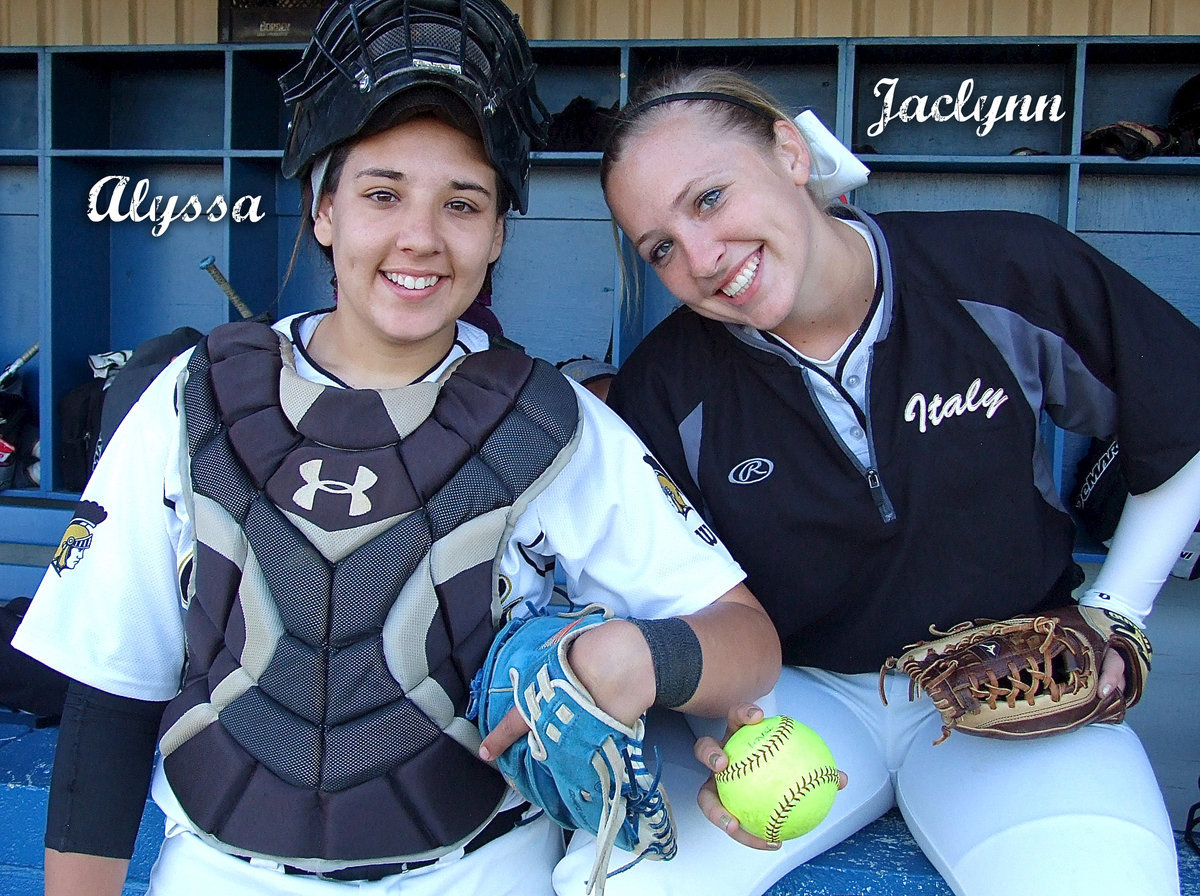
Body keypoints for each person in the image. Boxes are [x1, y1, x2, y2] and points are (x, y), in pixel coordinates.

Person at [12, 15, 781, 895]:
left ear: (499, 234)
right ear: (323, 209)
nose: (420, 237)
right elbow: (110, 695)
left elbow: (747, 640)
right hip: (222, 870)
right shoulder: (197, 398)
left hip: (477, 869)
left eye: (463, 203)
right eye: (382, 195)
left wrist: (644, 657)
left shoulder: (550, 422)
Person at [555, 66, 1200, 896]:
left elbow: (1182, 414)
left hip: (1013, 676)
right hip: (797, 698)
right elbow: (667, 599)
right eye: (661, 249)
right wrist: (706, 716)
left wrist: (1118, 607)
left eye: (709, 198)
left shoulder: (1003, 267)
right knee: (612, 885)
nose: (703, 259)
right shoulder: (665, 384)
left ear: (789, 153)